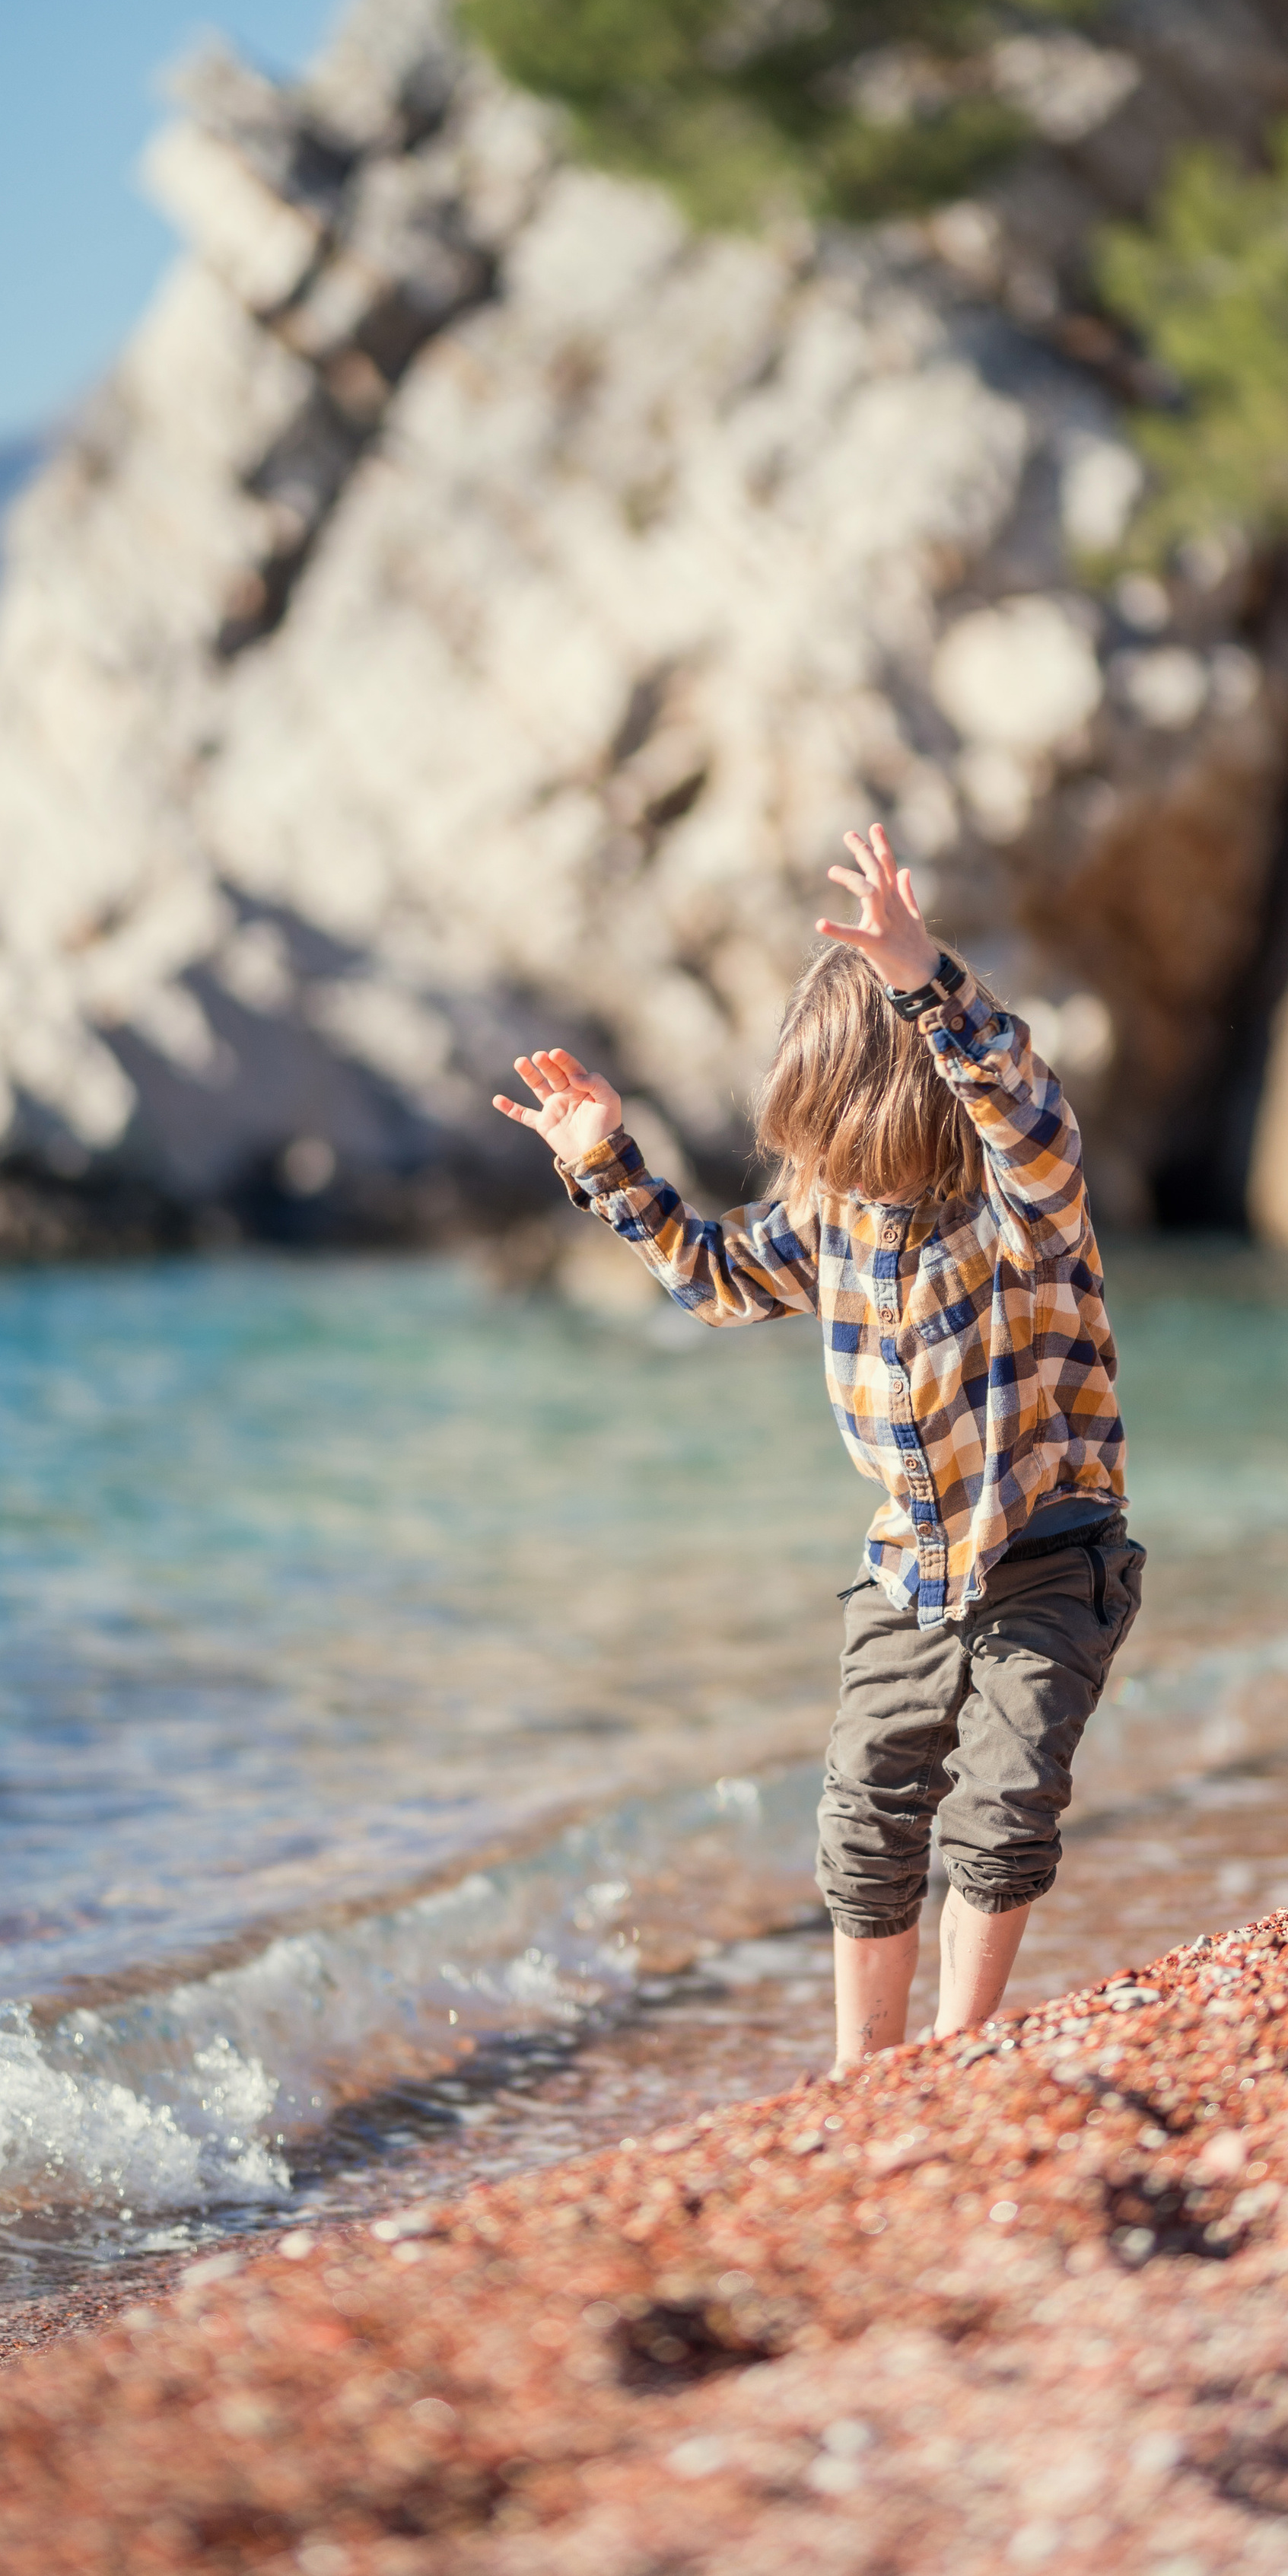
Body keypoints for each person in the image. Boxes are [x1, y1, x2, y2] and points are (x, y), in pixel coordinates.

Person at [493, 823, 1143, 2073]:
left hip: (1053, 1551)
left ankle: (957, 2052)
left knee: (1004, 1807)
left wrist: (924, 981)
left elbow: (1018, 1100)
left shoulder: (1026, 1201)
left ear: (890, 1105)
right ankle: (865, 2066)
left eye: (830, 1129)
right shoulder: (828, 1218)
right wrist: (608, 1168)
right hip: (906, 1567)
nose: (813, 1161)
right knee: (866, 1813)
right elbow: (717, 1279)